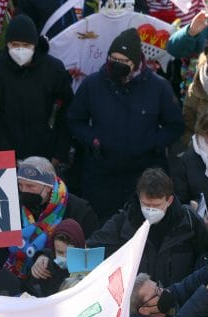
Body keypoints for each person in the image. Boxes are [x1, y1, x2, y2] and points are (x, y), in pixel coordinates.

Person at [67, 28, 184, 222]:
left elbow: (175, 126)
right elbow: (74, 120)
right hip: (102, 171)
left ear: (136, 62)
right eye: (113, 59)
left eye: (123, 62)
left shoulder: (158, 87)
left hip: (144, 172)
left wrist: (152, 143)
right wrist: (93, 140)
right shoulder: (93, 84)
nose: (117, 65)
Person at [0, 15, 72, 164]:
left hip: (45, 153)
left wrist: (59, 152)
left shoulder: (54, 70)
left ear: (35, 45)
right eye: (14, 44)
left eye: (25, 45)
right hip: (4, 154)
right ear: (7, 44)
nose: (20, 50)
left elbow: (68, 112)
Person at [87, 168, 208, 287]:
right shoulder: (122, 223)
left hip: (179, 301)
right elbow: (90, 250)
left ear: (169, 200)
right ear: (139, 197)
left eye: (156, 205)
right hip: (135, 302)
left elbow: (206, 258)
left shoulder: (189, 222)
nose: (151, 210)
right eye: (146, 204)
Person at [7, 158, 100, 282]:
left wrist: (49, 257)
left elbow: (91, 255)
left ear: (48, 187)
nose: (24, 191)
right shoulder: (15, 207)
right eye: (20, 185)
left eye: (30, 186)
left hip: (65, 283)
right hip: (21, 282)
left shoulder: (81, 211)